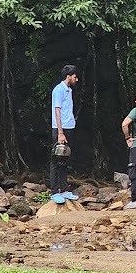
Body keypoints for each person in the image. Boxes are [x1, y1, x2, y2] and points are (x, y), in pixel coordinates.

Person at [49, 63, 79, 202]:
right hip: (60, 128)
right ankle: (54, 191)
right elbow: (57, 110)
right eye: (75, 77)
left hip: (69, 127)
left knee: (65, 159)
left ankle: (64, 189)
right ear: (68, 77)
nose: (76, 79)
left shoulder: (69, 90)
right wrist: (60, 132)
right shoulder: (58, 90)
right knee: (56, 159)